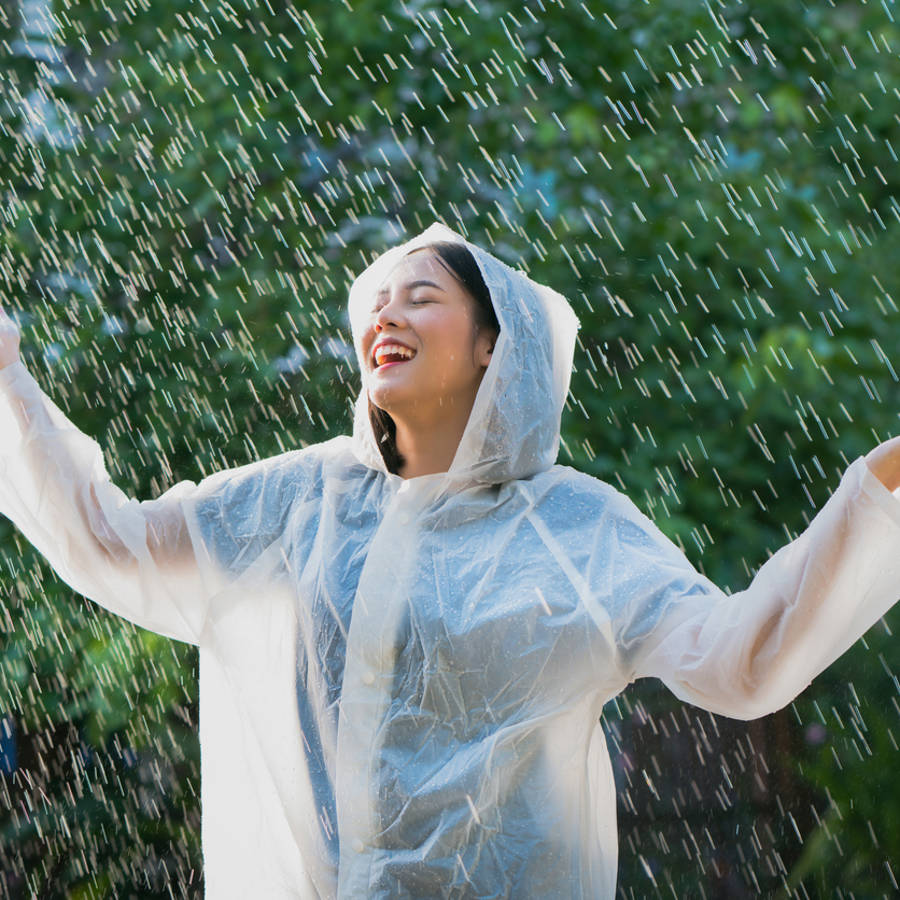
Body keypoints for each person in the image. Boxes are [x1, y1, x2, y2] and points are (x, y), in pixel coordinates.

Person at [0, 221, 899, 899]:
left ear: (493, 345)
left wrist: (882, 489)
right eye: (380, 300)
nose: (386, 311)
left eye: (421, 295)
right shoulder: (301, 502)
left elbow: (744, 658)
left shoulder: (574, 528)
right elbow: (108, 540)